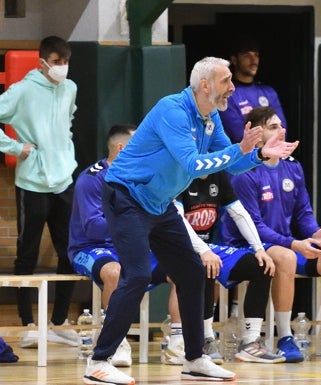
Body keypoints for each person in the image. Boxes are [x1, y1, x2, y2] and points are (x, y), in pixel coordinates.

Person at [82, 57, 298, 385]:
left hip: (159, 202)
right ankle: (99, 360)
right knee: (137, 276)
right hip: (127, 197)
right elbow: (194, 165)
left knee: (192, 272)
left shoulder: (210, 118)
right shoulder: (173, 110)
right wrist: (242, 148)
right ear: (206, 85)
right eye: (226, 81)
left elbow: (231, 163)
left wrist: (261, 155)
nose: (233, 87)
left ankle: (195, 358)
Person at [220, 106, 321, 362]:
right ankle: (285, 338)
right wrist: (294, 243)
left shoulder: (293, 167)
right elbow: (254, 227)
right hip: (249, 246)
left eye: (281, 126)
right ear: (257, 136)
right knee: (286, 257)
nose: (281, 131)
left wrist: (316, 233)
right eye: (273, 127)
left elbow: (302, 212)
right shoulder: (244, 171)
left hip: (286, 243)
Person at [68, 124, 174, 367]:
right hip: (90, 247)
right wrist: (133, 223)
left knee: (181, 268)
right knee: (115, 272)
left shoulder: (144, 175)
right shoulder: (91, 179)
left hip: (131, 243)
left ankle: (179, 342)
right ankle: (116, 341)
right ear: (121, 148)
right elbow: (93, 227)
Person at [0, 35, 79, 348]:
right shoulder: (21, 90)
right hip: (31, 181)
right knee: (27, 255)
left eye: (65, 62)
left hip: (64, 179)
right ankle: (28, 324)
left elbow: (67, 121)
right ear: (43, 61)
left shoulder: (70, 88)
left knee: (69, 252)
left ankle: (59, 322)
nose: (62, 68)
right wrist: (16, 147)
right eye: (57, 62)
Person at [167, 170, 286, 364]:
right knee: (204, 264)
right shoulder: (181, 173)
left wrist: (259, 248)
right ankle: (205, 340)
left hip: (208, 246)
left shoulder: (218, 175)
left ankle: (250, 342)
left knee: (261, 265)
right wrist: (203, 251)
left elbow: (239, 212)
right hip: (177, 243)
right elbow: (178, 219)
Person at [218, 36, 288, 143]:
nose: (253, 60)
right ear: (234, 60)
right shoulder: (227, 94)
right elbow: (238, 135)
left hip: (273, 155)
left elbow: (282, 130)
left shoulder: (268, 92)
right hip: (245, 157)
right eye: (247, 55)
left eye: (256, 55)